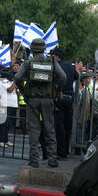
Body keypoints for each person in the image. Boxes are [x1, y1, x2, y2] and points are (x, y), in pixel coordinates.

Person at [15, 38, 66, 168]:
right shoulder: (52, 62)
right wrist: (56, 90)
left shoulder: (28, 63)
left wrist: (23, 90)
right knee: (50, 128)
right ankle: (52, 159)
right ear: (44, 49)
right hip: (48, 99)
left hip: (32, 99)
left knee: (34, 129)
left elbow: (18, 77)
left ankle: (34, 160)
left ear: (32, 49)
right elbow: (63, 77)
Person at [52, 47, 79, 159]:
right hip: (70, 98)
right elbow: (77, 77)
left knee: (59, 125)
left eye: (53, 55)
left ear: (57, 56)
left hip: (60, 96)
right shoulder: (70, 66)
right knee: (68, 125)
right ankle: (66, 149)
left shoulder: (56, 66)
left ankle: (61, 151)